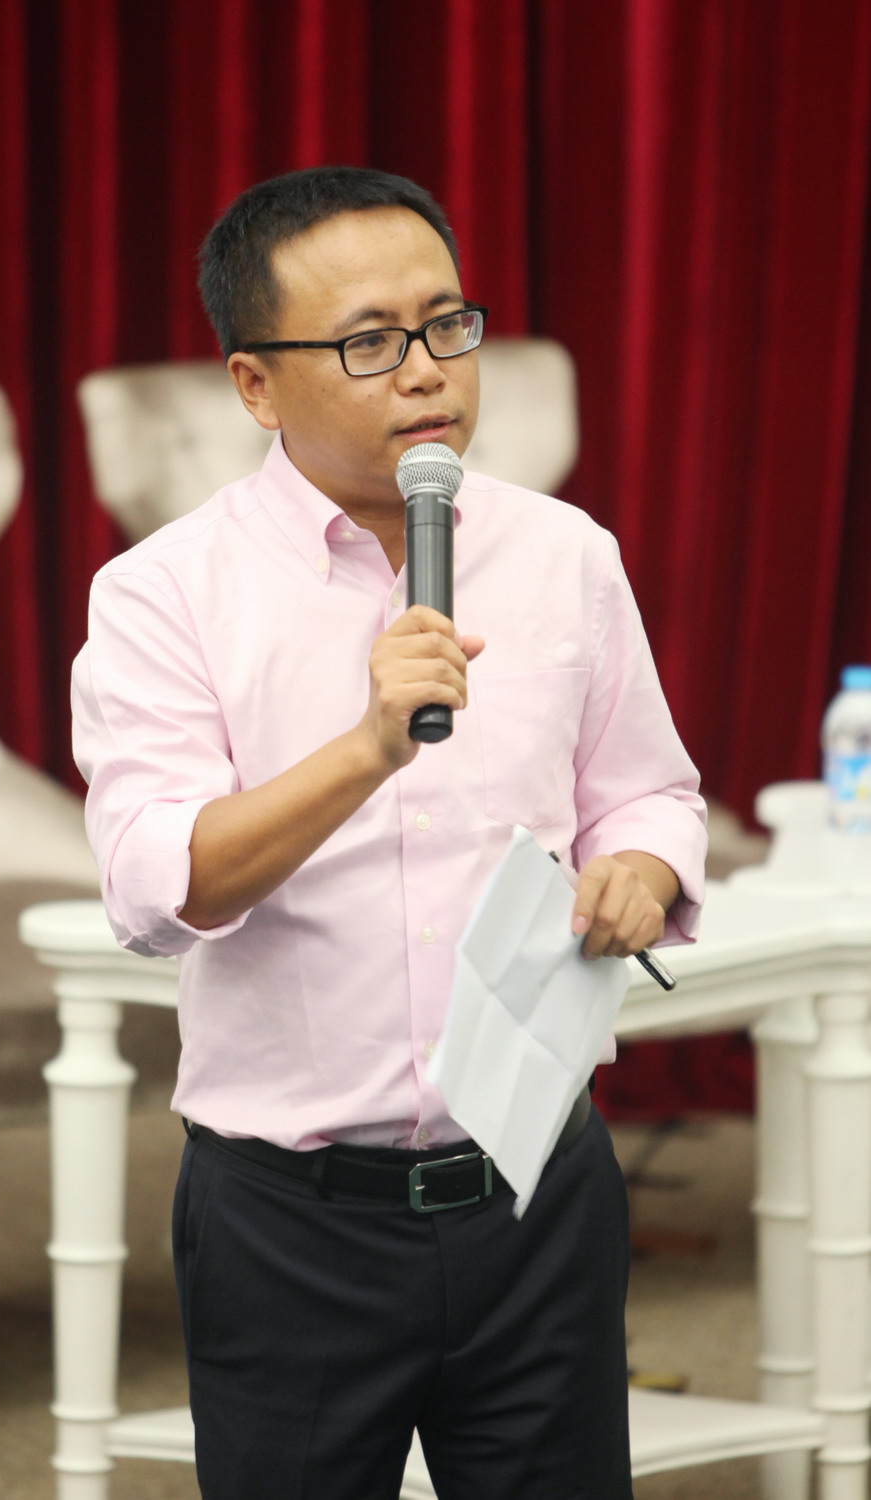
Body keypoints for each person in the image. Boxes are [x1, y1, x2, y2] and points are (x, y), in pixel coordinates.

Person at [72, 165, 707, 1500]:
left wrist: (642, 867)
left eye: (446, 324)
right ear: (256, 385)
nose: (426, 372)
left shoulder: (565, 554)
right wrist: (368, 747)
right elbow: (156, 887)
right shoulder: (162, 594)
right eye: (367, 342)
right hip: (292, 1226)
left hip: (537, 1184)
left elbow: (648, 790)